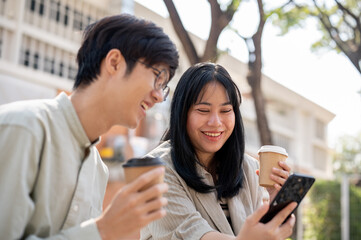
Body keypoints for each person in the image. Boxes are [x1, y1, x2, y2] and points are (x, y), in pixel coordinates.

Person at [0, 14, 179, 239]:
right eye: (157, 77)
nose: (159, 96)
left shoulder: (97, 169)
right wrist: (103, 230)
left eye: (164, 87)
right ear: (114, 63)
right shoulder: (24, 129)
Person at [141, 62, 296, 240]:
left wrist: (275, 206)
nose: (216, 122)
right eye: (203, 110)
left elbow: (259, 232)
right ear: (181, 113)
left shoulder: (249, 168)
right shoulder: (154, 169)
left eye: (225, 110)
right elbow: (191, 234)